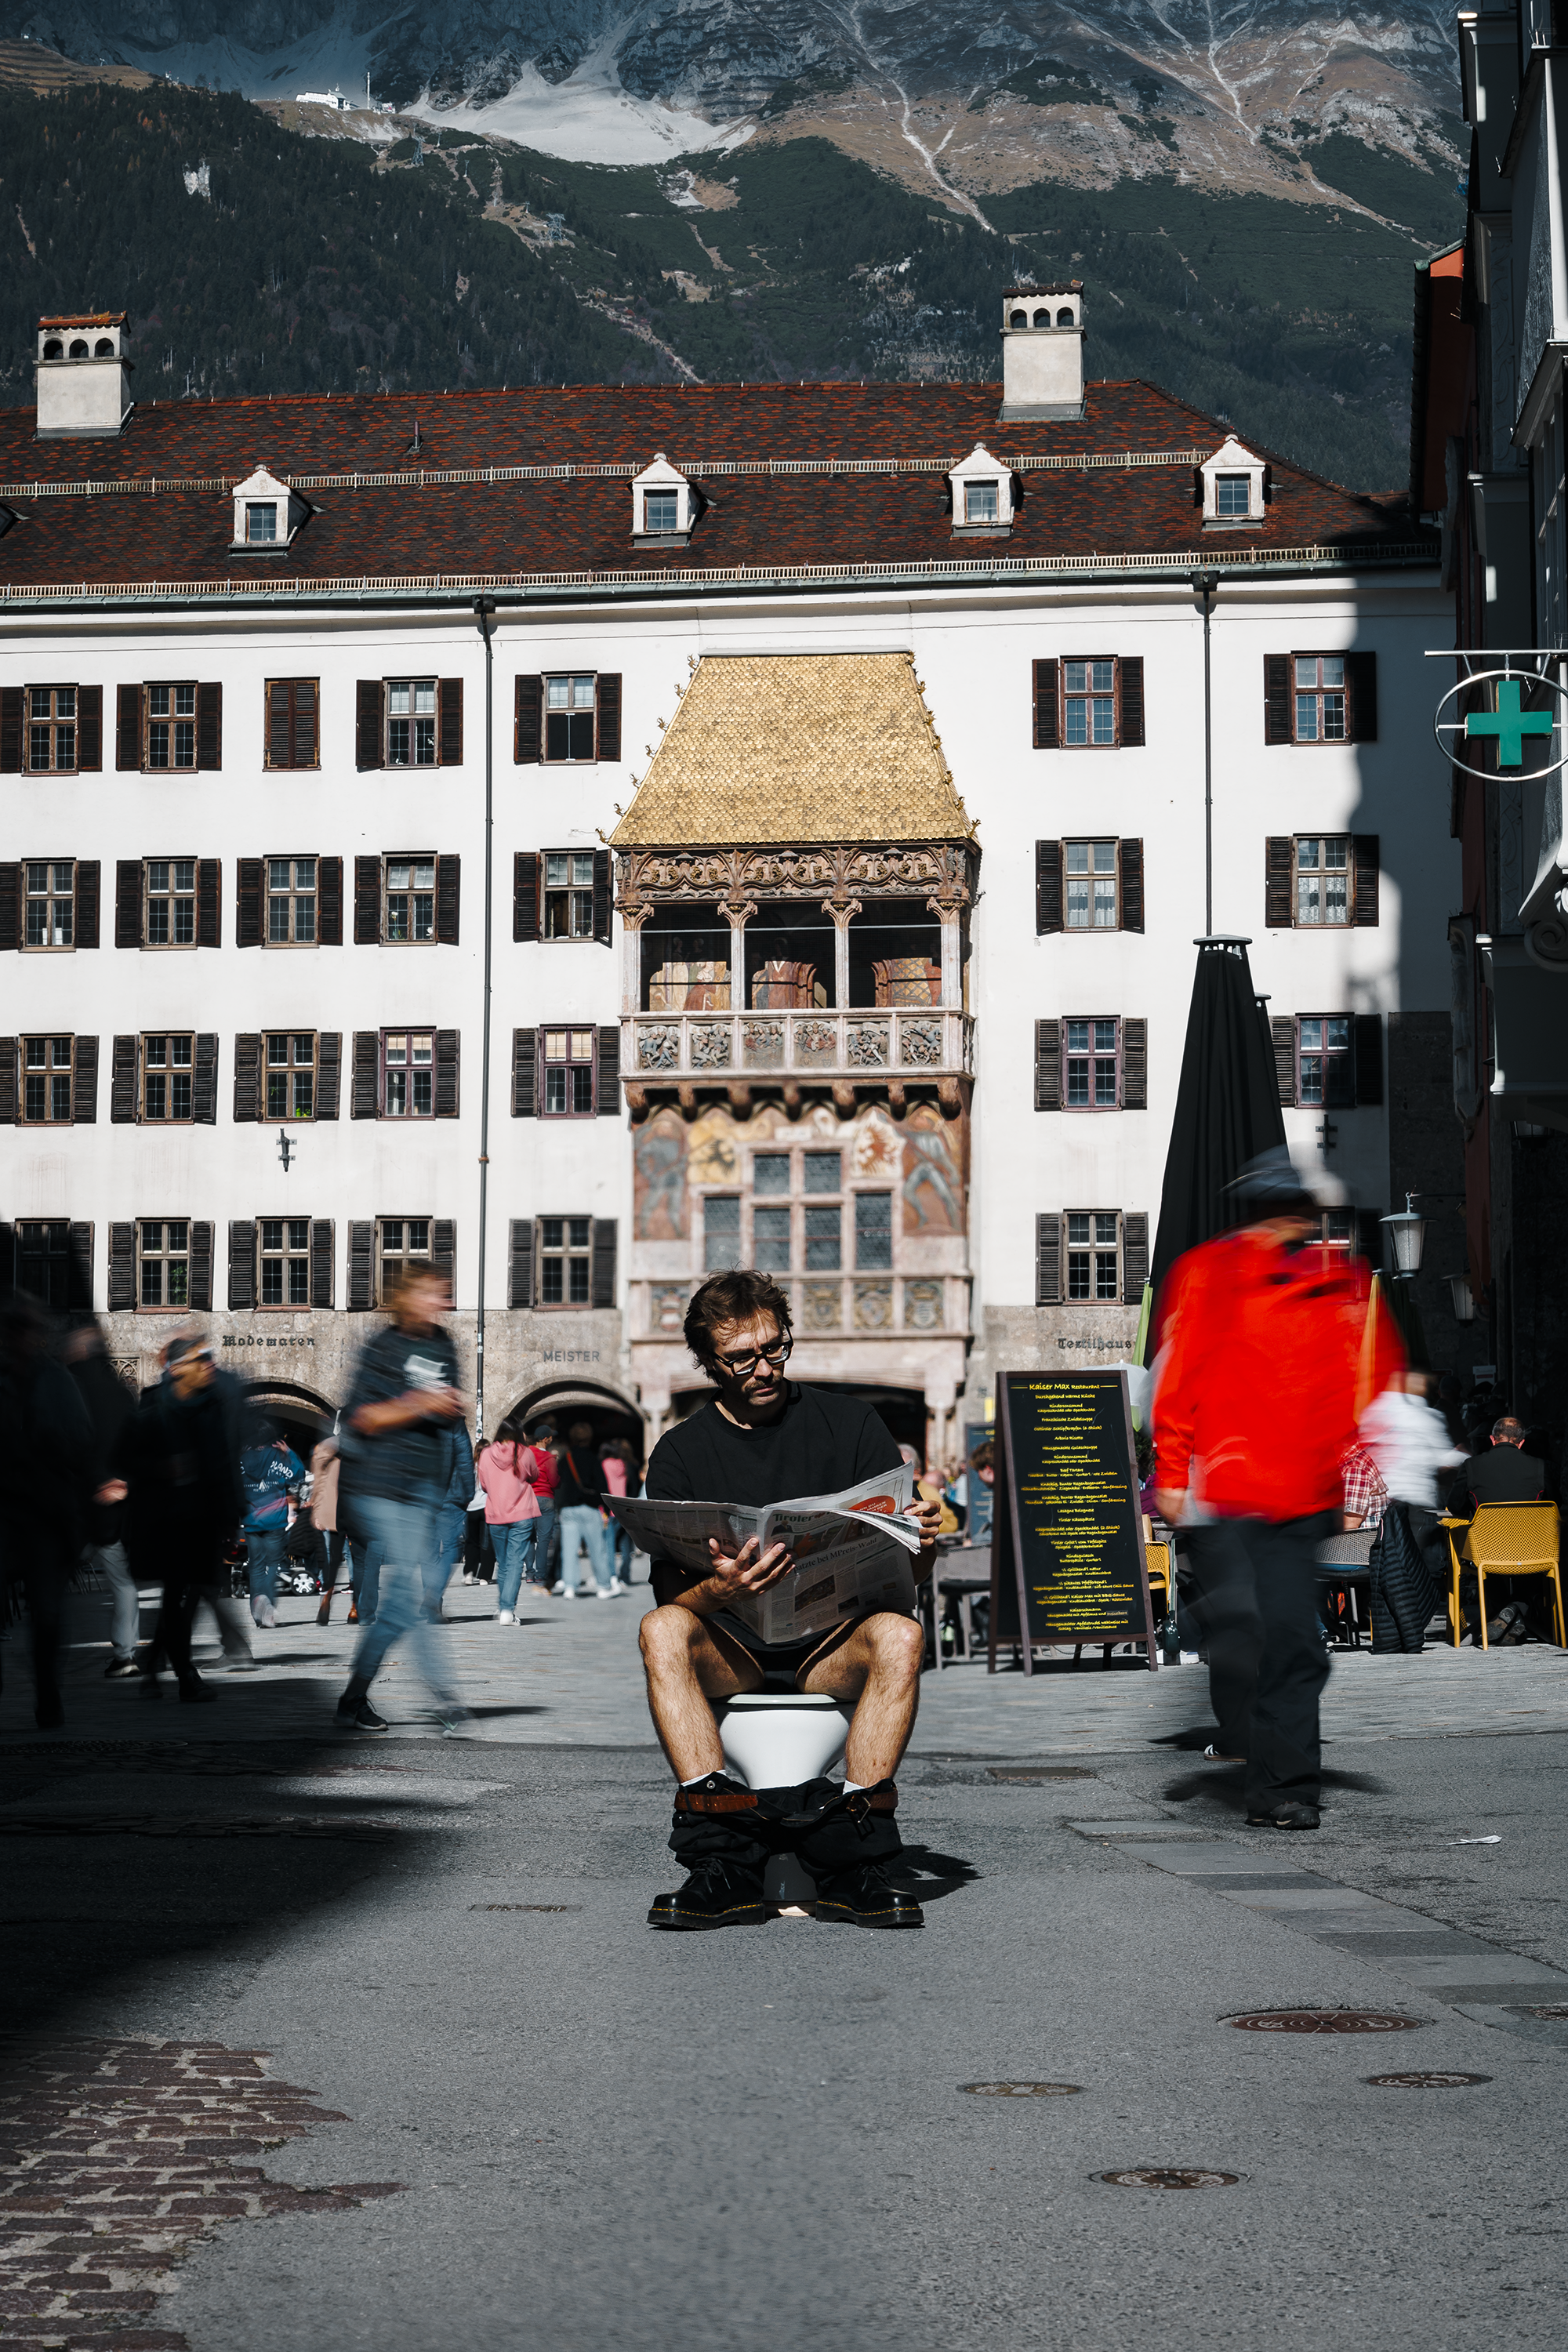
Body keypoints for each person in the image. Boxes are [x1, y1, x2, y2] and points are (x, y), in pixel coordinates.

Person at [637, 1267, 941, 1931]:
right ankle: (721, 1862)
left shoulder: (852, 1423)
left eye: (775, 1348)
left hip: (826, 1649)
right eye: (741, 1358)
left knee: (902, 1636)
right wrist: (718, 1589)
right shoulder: (681, 1452)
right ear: (709, 1362)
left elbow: (909, 1577)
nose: (764, 1368)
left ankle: (859, 1859)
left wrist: (927, 1536)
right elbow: (670, 1595)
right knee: (661, 1626)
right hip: (736, 1651)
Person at [1152, 1147, 1400, 1831]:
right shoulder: (1205, 1272)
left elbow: (1370, 1370)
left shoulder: (1337, 1276)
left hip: (1298, 1493)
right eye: (1277, 1212)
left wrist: (1365, 1453)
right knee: (1253, 1635)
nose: (1286, 1225)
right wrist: (1172, 1471)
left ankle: (1286, 1786)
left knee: (1292, 1641)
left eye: (1295, 1213)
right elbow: (1181, 1377)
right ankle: (1262, 1762)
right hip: (1232, 1491)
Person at [333, 1264, 469, 1734]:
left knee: (399, 1606)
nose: (441, 1303)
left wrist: (450, 1407)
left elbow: (447, 1408)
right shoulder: (383, 1347)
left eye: (443, 1294)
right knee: (412, 1597)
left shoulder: (444, 1344)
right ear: (406, 1298)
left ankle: (352, 1700)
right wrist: (420, 1404)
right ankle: (445, 1699)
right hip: (379, 1485)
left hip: (423, 1488)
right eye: (432, 1294)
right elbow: (361, 1419)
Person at [118, 1331, 252, 1703]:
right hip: (167, 1521)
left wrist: (231, 1518)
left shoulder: (212, 1406)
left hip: (203, 1519)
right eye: (201, 1360)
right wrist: (163, 1469)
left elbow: (224, 1465)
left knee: (184, 1599)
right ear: (177, 1370)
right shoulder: (151, 1406)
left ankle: (155, 1663)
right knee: (181, 1596)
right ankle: (186, 1676)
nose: (210, 1365)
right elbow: (124, 1459)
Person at [0, 1290, 98, 1727]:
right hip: (11, 1511)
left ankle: (48, 1692)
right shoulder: (48, 1377)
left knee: (48, 1613)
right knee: (45, 1611)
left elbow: (79, 1442)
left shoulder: (53, 1378)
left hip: (43, 1513)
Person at [61, 1322, 142, 1679]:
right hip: (115, 1503)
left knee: (51, 1578)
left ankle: (52, 1654)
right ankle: (125, 1655)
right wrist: (122, 1481)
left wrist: (93, 1480)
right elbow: (136, 1443)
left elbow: (69, 1441)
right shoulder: (122, 1392)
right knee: (123, 1584)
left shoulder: (68, 1387)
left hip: (74, 1505)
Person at [477, 1416, 544, 1621]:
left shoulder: (487, 1454)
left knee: (504, 1563)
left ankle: (503, 1606)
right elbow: (534, 1476)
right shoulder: (525, 1453)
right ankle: (507, 1609)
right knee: (516, 1563)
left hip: (496, 1513)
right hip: (521, 1513)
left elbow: (484, 1485)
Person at [239, 1424, 304, 1628]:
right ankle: (267, 1607)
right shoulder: (279, 1458)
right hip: (275, 1520)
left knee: (256, 1567)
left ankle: (257, 1615)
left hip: (251, 1521)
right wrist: (289, 1452)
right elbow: (299, 1474)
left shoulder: (241, 1460)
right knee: (273, 1565)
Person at [554, 1420, 618, 1599]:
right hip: (590, 1508)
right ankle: (603, 1586)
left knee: (569, 1549)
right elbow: (602, 1485)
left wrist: (559, 1506)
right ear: (589, 1438)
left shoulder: (565, 1459)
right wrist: (605, 1507)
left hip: (568, 1509)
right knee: (597, 1549)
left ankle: (570, 1586)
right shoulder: (592, 1458)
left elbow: (557, 1484)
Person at [1446, 1415, 1546, 1517]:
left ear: (1492, 1439)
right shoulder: (1540, 1466)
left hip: (1485, 1532)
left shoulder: (1471, 1465)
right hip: (1528, 1531)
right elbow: (1554, 1502)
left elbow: (1455, 1505)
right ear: (1521, 1443)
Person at [529, 1421, 561, 1589]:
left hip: (528, 1498)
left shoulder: (526, 1454)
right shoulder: (550, 1458)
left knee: (528, 1536)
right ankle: (541, 1574)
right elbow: (555, 1482)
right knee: (544, 1539)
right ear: (546, 1439)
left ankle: (528, 1572)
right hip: (546, 1498)